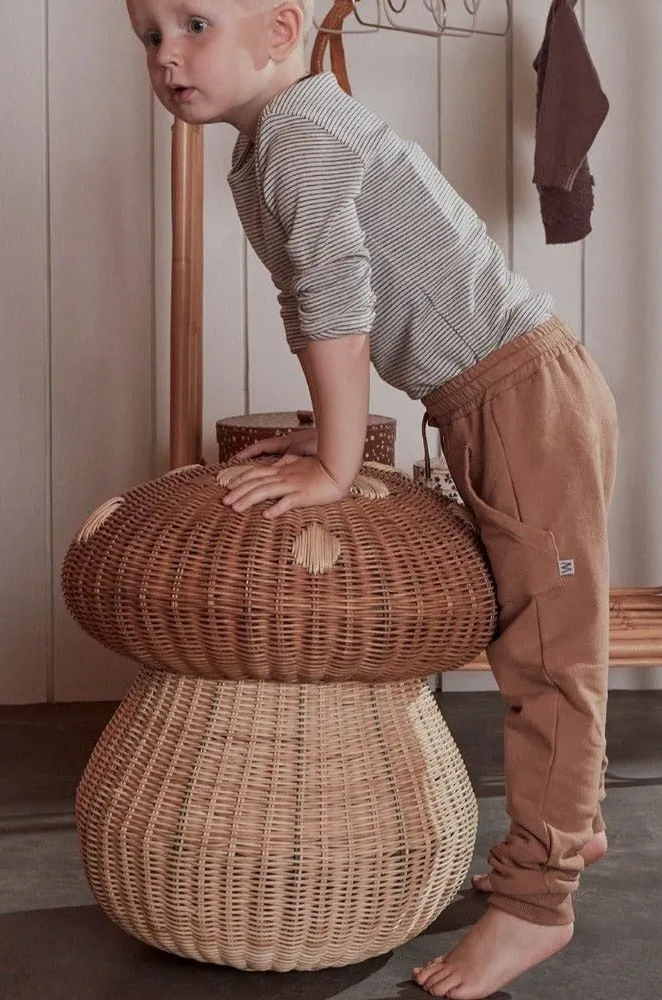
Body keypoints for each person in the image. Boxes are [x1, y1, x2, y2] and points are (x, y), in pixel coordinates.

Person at [124, 0, 618, 995]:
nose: (168, 53)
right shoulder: (267, 146)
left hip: (525, 399)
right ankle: (564, 835)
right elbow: (312, 300)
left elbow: (339, 300)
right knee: (538, 643)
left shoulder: (301, 135)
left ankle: (535, 905)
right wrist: (325, 432)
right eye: (148, 35)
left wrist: (335, 466)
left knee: (548, 659)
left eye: (194, 24)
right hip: (490, 397)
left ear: (279, 31)